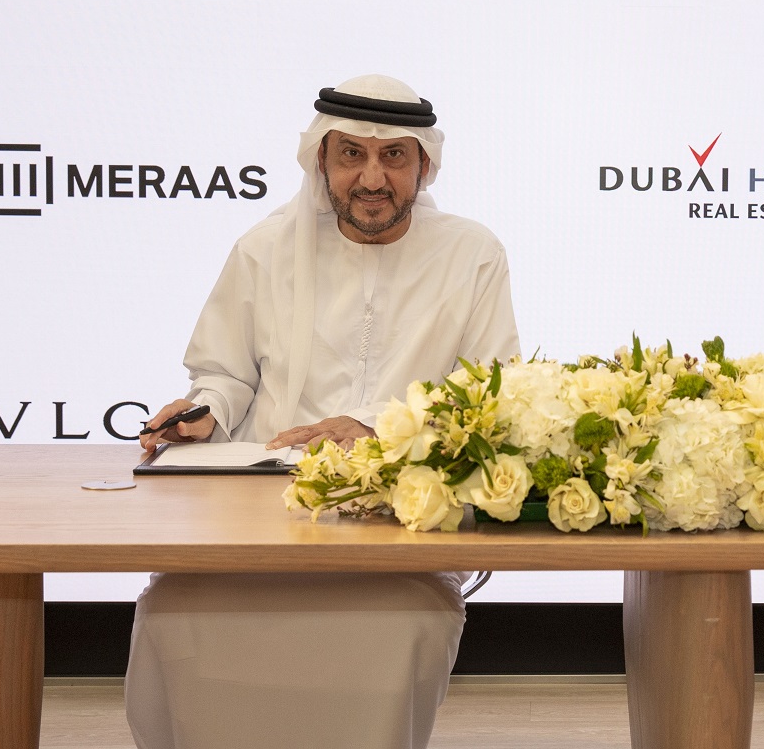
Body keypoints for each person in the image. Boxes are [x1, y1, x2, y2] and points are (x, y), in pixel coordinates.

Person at [126, 74, 520, 749]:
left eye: (393, 156)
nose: (372, 178)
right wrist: (202, 411)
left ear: (424, 164)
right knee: (177, 609)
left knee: (400, 618)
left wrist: (376, 424)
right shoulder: (264, 249)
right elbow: (223, 374)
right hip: (264, 506)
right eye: (351, 156)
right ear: (321, 162)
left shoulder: (470, 252)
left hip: (399, 507)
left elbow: (491, 391)